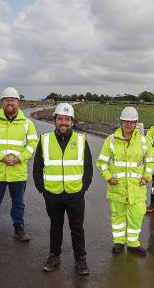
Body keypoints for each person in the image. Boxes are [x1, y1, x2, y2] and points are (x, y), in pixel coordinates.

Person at [33, 103, 93, 275]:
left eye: (67, 119)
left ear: (72, 122)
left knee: (77, 228)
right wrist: (41, 189)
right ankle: (54, 256)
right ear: (55, 121)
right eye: (60, 119)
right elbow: (38, 167)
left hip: (75, 194)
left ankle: (80, 259)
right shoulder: (45, 140)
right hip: (52, 194)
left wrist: (84, 188)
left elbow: (88, 167)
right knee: (55, 227)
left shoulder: (81, 140)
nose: (64, 122)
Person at [0, 87, 38, 246]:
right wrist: (1, 157)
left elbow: (32, 144)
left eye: (13, 100)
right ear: (2, 103)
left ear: (18, 102)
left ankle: (19, 227)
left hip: (18, 171)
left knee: (18, 203)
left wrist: (20, 158)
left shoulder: (27, 123)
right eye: (7, 100)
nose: (10, 102)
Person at [96, 107, 154, 256]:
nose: (129, 124)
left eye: (132, 122)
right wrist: (108, 177)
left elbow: (151, 161)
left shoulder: (144, 141)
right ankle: (118, 242)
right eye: (125, 121)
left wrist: (146, 177)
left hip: (137, 188)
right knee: (118, 216)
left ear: (136, 123)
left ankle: (133, 243)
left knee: (136, 216)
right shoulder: (110, 140)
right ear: (121, 122)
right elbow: (102, 162)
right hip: (117, 187)